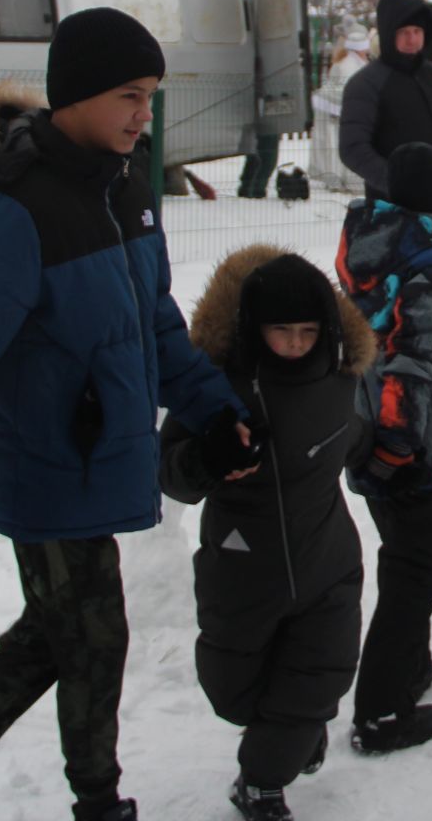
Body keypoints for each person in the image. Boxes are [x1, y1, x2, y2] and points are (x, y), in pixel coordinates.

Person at [0, 7, 252, 821]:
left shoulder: (126, 189)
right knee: (92, 635)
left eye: (153, 97)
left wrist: (213, 409)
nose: (145, 114)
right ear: (76, 96)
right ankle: (93, 801)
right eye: (130, 95)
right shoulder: (13, 213)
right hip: (40, 467)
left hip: (88, 460)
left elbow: (153, 320)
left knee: (55, 635)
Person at [159, 248, 376, 821]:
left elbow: (352, 435)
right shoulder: (218, 387)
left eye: (308, 330)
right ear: (256, 329)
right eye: (283, 331)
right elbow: (169, 473)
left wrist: (391, 455)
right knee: (234, 691)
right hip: (242, 567)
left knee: (317, 676)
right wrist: (210, 456)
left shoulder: (339, 374)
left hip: (327, 560)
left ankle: (262, 782)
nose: (297, 344)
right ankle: (292, 728)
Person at [334, 140, 432, 753]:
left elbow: (430, 334)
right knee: (413, 574)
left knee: (405, 559)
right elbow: (415, 358)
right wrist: (398, 444)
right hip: (413, 446)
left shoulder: (370, 245)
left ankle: (411, 665)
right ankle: (382, 710)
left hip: (365, 429)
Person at [338, 0, 432, 311]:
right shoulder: (367, 84)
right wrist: (400, 186)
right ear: (388, 34)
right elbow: (353, 148)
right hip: (396, 220)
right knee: (404, 305)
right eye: (404, 33)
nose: (412, 40)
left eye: (417, 32)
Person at [308, 30, 369, 193]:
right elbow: (346, 91)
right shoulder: (350, 65)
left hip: (336, 109)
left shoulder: (349, 62)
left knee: (335, 145)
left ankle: (337, 179)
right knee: (335, 146)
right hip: (336, 111)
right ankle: (338, 180)